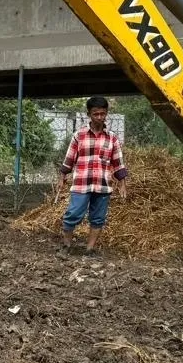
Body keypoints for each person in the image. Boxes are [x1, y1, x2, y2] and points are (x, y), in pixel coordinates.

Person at [59, 96, 127, 252]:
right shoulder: (79, 136)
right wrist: (62, 177)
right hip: (81, 184)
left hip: (102, 185)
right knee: (73, 214)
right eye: (96, 114)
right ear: (89, 114)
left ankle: (89, 249)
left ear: (106, 114)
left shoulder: (112, 138)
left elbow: (118, 163)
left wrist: (123, 184)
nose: (99, 118)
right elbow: (69, 159)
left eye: (103, 114)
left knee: (98, 218)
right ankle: (66, 245)